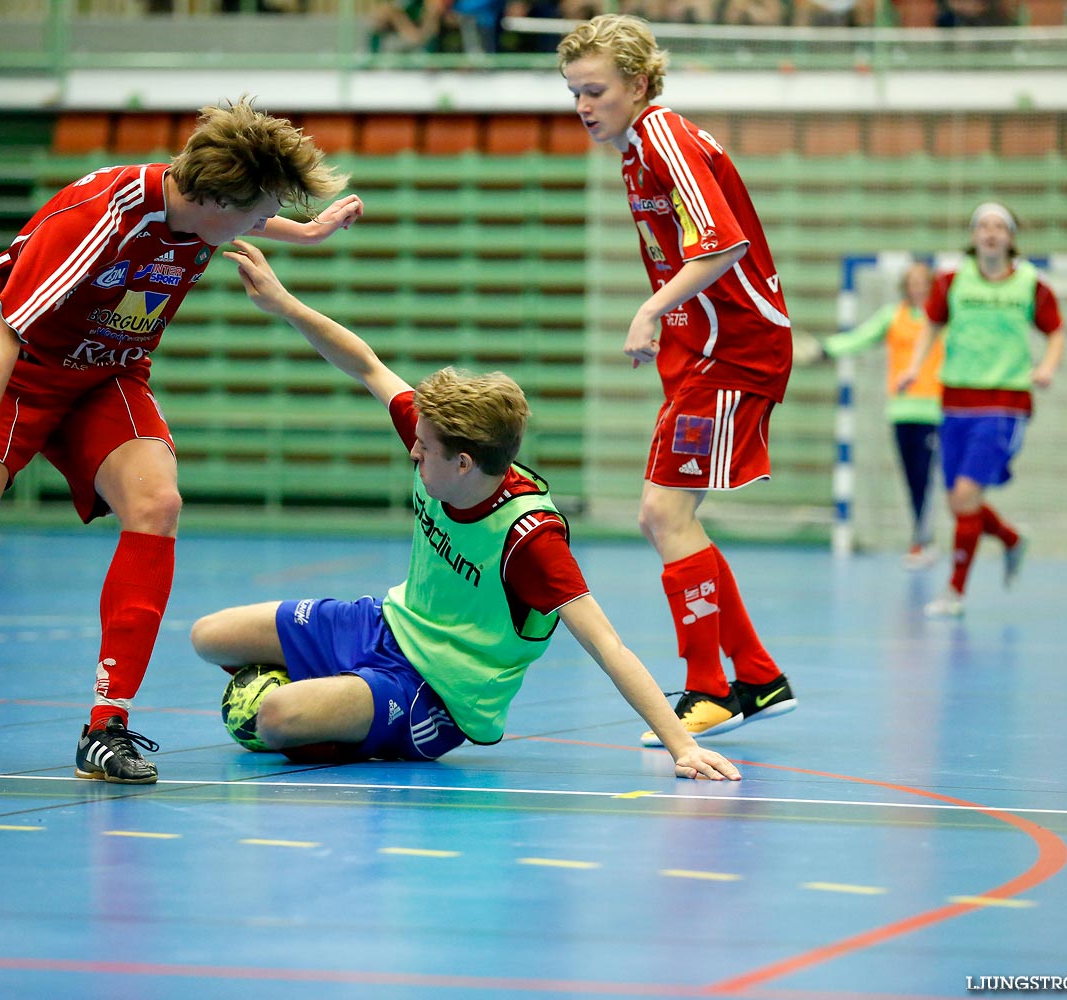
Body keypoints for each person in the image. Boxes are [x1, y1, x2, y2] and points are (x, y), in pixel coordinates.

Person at [0, 98, 364, 784]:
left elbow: (240, 216)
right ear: (216, 199)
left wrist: (309, 233)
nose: (260, 225)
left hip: (106, 373)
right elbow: (2, 330)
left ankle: (107, 729)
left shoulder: (202, 210)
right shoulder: (103, 218)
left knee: (156, 503)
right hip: (20, 370)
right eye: (258, 211)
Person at [189, 240, 741, 782]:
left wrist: (682, 746)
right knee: (209, 635)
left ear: (463, 463)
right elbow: (366, 365)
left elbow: (608, 645)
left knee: (277, 717)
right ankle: (342, 692)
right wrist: (284, 304)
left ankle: (351, 713)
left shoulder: (529, 539)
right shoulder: (439, 440)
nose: (412, 450)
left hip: (438, 691)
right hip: (384, 624)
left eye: (424, 449)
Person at [556, 14, 797, 747]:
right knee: (670, 517)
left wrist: (651, 309)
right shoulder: (636, 152)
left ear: (638, 83)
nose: (583, 106)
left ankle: (710, 691)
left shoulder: (664, 137)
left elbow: (723, 245)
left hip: (736, 351)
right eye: (573, 94)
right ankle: (755, 676)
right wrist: (668, 324)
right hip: (705, 351)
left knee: (662, 516)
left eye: (595, 90)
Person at [895, 203, 1065, 618]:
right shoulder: (952, 280)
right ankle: (1009, 538)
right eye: (983, 226)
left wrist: (1047, 367)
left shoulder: (1030, 283)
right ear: (973, 235)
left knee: (967, 495)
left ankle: (955, 592)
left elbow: (1056, 329)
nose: (990, 233)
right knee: (958, 502)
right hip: (955, 402)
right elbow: (932, 324)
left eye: (999, 227)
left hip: (1004, 403)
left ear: (1010, 236)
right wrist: (915, 366)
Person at [807, 261, 943, 570]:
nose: (918, 286)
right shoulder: (893, 317)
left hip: (933, 411)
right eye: (912, 281)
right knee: (911, 480)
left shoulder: (941, 320)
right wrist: (826, 349)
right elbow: (861, 337)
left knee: (926, 480)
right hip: (900, 410)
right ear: (905, 286)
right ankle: (923, 539)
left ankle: (923, 542)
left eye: (923, 280)